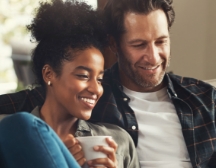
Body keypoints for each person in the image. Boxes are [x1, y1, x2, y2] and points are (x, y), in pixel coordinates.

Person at [0, 0, 216, 167]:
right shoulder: (89, 99)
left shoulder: (205, 98)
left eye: (161, 41)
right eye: (139, 44)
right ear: (114, 44)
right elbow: (36, 112)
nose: (153, 56)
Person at [0, 0, 140, 168]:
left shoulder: (119, 141)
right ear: (48, 74)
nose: (96, 89)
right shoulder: (14, 136)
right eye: (83, 75)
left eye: (100, 79)